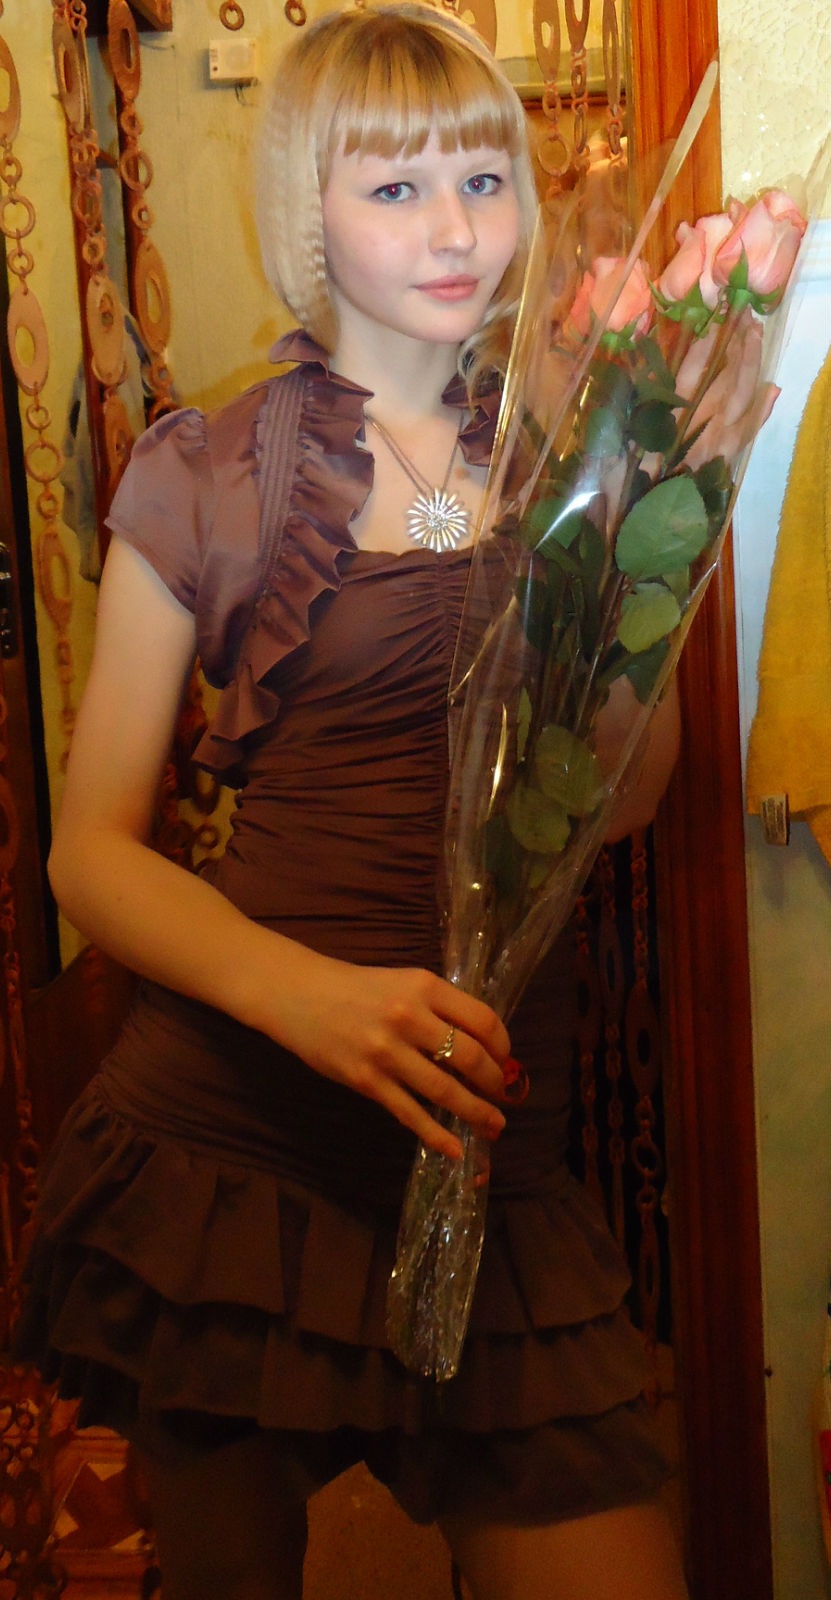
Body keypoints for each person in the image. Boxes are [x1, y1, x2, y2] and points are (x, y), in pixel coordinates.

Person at [15, 6, 687, 1597]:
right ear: (307, 210)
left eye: (482, 179)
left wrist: (640, 529)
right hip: (241, 1142)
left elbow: (625, 799)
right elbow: (89, 857)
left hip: (491, 1152)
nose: (454, 229)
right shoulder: (207, 469)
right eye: (394, 188)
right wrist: (314, 1003)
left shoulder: (566, 455)